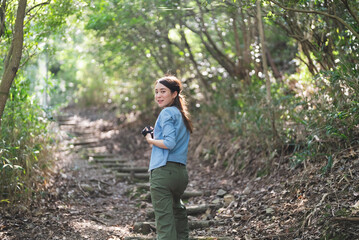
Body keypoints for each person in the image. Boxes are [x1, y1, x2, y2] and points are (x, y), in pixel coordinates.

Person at [143, 75, 193, 240]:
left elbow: (169, 143)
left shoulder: (166, 113)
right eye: (156, 92)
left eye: (163, 91)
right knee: (178, 213)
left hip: (163, 173)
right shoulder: (181, 115)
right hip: (180, 174)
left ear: (174, 94)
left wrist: (150, 140)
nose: (158, 95)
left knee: (165, 222)